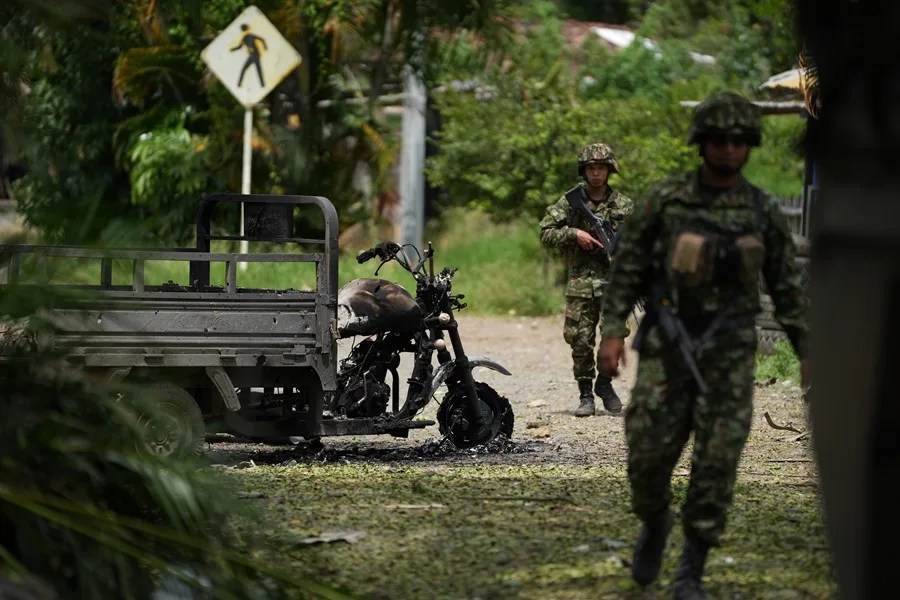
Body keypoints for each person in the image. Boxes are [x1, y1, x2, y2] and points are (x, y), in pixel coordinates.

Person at [598, 92, 810, 599]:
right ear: (701, 143)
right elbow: (628, 266)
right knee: (647, 457)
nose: (729, 149)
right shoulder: (665, 200)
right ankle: (654, 522)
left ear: (750, 145)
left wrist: (809, 354)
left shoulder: (762, 210)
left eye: (739, 140)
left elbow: (786, 288)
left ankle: (691, 569)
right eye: (719, 139)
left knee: (716, 465)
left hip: (731, 354)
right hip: (670, 346)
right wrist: (611, 330)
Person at [539, 143, 634, 417]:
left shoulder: (624, 205)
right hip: (581, 284)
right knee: (580, 340)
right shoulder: (570, 202)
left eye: (601, 168)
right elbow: (546, 232)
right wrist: (574, 235)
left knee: (614, 336)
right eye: (591, 168)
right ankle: (585, 394)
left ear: (609, 170)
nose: (596, 173)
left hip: (614, 284)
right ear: (584, 171)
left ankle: (604, 385)